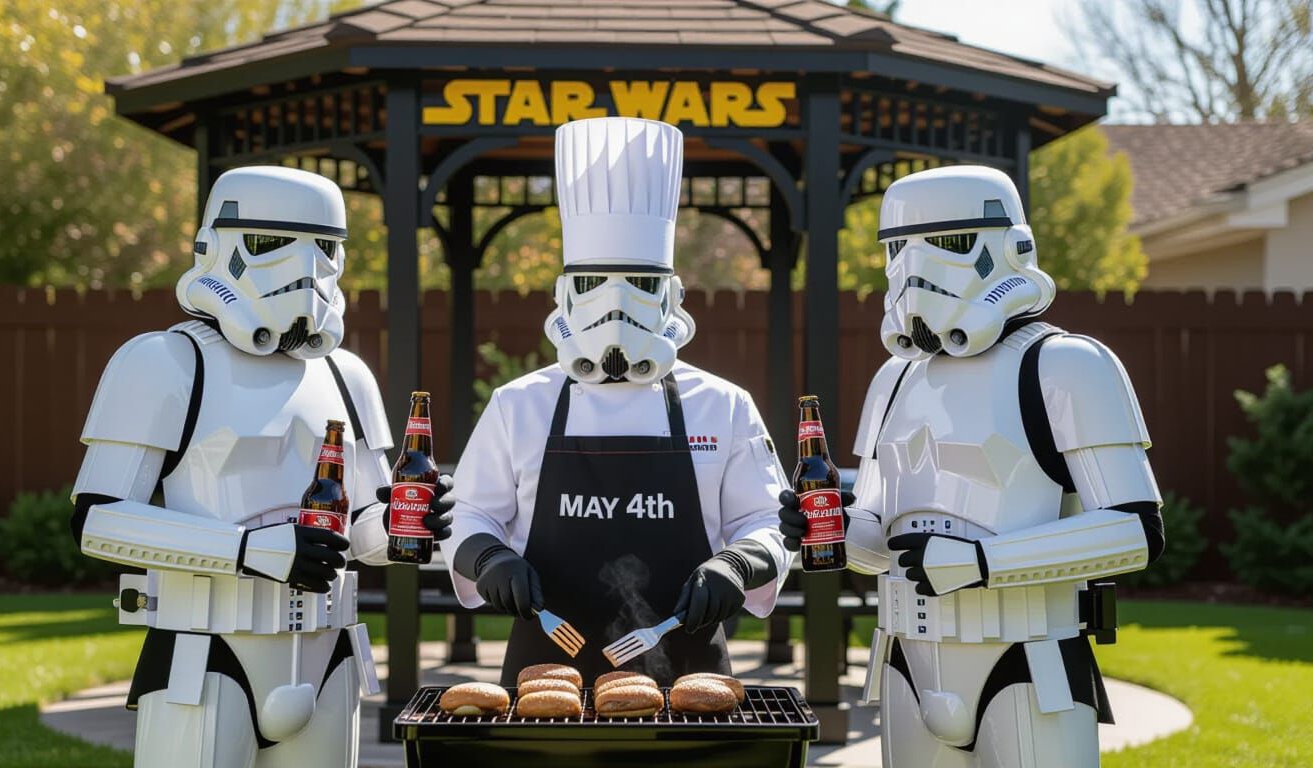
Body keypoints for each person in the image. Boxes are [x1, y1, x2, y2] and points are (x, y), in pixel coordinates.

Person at [780, 165, 1164, 767]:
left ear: (1010, 249)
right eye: (898, 249)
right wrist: (828, 532)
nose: (915, 268)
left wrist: (983, 562)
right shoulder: (894, 379)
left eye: (950, 244)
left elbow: (1135, 531)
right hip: (908, 658)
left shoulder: (1067, 365)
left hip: (1027, 658)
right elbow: (883, 536)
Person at [70, 166, 452, 768]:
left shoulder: (347, 376)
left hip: (330, 654)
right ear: (218, 246)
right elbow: (98, 523)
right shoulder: (165, 363)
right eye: (273, 245)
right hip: (207, 652)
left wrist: (415, 525)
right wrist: (248, 549)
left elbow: (367, 525)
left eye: (324, 249)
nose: (304, 272)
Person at [443, 117, 792, 686]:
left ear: (671, 296)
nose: (616, 305)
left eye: (640, 285)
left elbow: (768, 520)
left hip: (688, 677)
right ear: (564, 294)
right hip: (544, 668)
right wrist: (489, 559)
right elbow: (467, 514)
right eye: (593, 285)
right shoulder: (520, 405)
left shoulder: (722, 404)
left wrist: (737, 563)